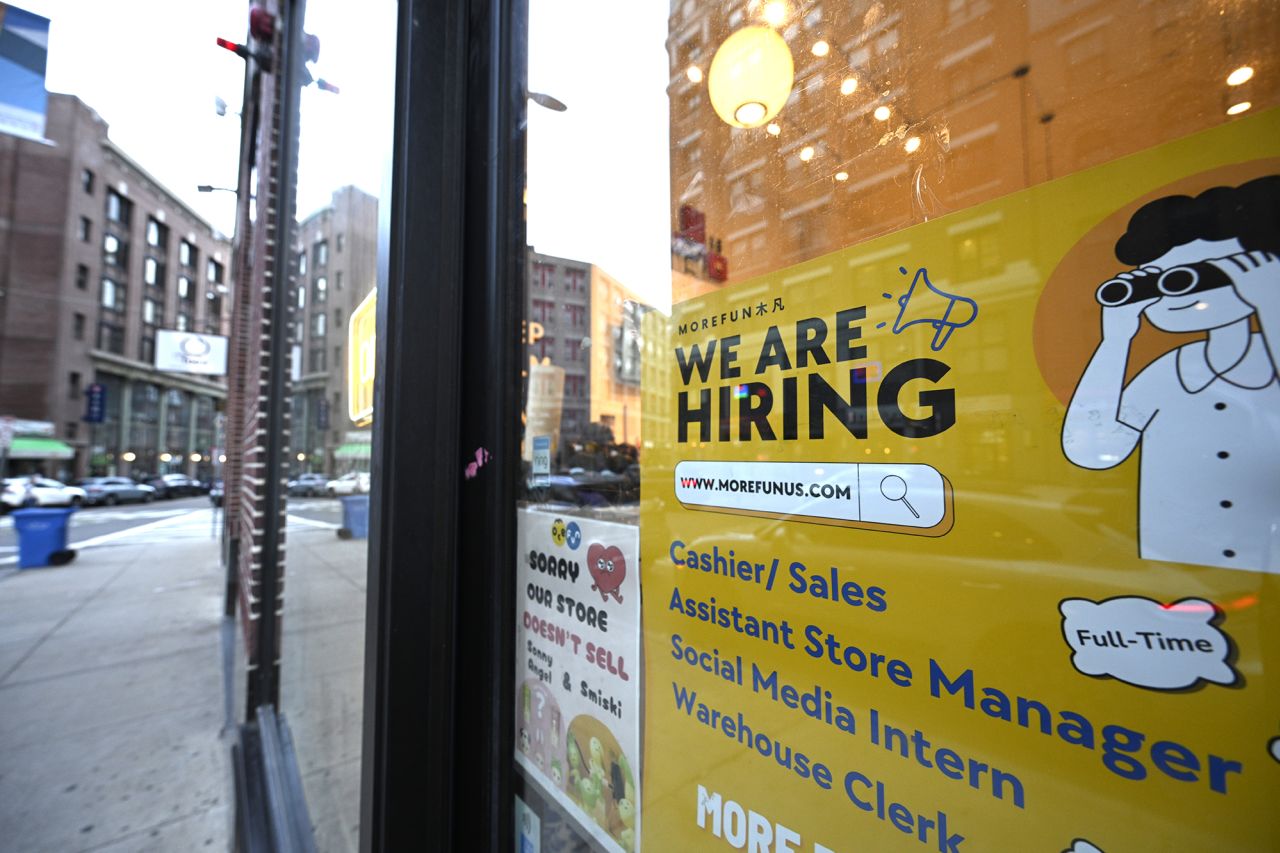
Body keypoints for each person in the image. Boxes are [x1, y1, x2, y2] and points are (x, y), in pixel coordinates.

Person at [1062, 176, 1279, 573]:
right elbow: (1091, 451)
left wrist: (1270, 301)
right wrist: (1115, 341)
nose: (1169, 294)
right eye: (1155, 278)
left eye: (1191, 277)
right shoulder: (1172, 373)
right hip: (1176, 573)